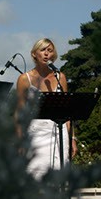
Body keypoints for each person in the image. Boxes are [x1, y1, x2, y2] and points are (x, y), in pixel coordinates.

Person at [15, 38, 76, 179]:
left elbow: (67, 111)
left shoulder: (60, 77)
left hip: (59, 131)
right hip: (36, 133)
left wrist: (72, 137)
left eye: (50, 50)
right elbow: (19, 112)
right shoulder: (25, 79)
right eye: (43, 50)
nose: (46, 54)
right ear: (34, 54)